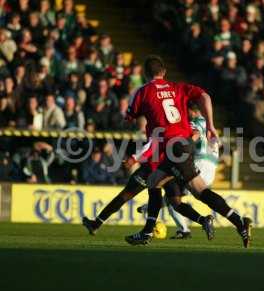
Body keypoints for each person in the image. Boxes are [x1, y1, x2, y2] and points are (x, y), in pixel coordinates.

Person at [124, 55, 252, 248]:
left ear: (144, 73)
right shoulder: (177, 88)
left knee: (200, 192)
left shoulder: (143, 91)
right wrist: (211, 125)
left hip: (174, 146)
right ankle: (146, 232)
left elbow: (129, 117)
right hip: (182, 144)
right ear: (164, 72)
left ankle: (239, 222)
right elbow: (205, 96)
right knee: (154, 181)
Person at [82, 137, 214, 239]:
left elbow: (151, 145)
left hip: (152, 169)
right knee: (176, 203)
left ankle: (96, 224)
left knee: (124, 196)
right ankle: (203, 221)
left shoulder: (157, 122)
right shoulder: (175, 124)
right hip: (170, 170)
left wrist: (134, 159)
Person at [137, 102, 219, 239]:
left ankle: (184, 228)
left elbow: (195, 135)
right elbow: (215, 142)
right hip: (210, 167)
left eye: (185, 112)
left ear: (191, 111)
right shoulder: (208, 123)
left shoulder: (195, 123)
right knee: (173, 195)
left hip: (198, 165)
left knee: (172, 197)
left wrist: (183, 147)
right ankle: (185, 227)